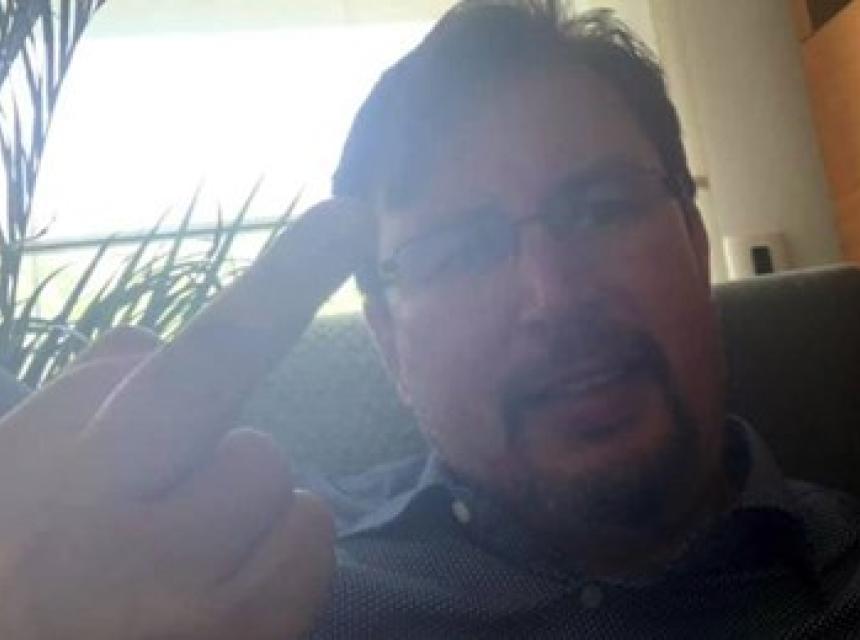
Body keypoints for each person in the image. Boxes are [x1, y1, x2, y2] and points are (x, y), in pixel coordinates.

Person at [0, 1, 857, 638]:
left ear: (695, 242)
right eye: (460, 251)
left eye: (601, 210)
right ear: (388, 343)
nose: (555, 297)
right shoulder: (256, 592)